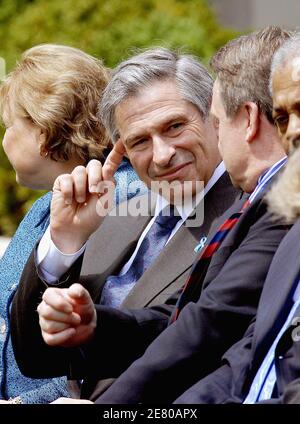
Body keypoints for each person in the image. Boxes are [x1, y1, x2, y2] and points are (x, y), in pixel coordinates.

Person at [10, 34, 289, 404]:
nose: (162, 155)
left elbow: (200, 336)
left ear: (214, 118)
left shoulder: (252, 212)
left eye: (175, 127)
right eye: (140, 141)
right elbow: (36, 359)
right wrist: (63, 242)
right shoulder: (114, 217)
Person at [0, 43, 143, 404]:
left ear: (44, 129)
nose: (4, 139)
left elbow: (118, 340)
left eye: (8, 125)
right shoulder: (43, 207)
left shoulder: (126, 198)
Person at [171, 33, 300, 405]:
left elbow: (213, 320)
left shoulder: (279, 213)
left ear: (246, 120)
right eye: (282, 116)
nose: (291, 131)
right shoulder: (295, 236)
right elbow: (245, 358)